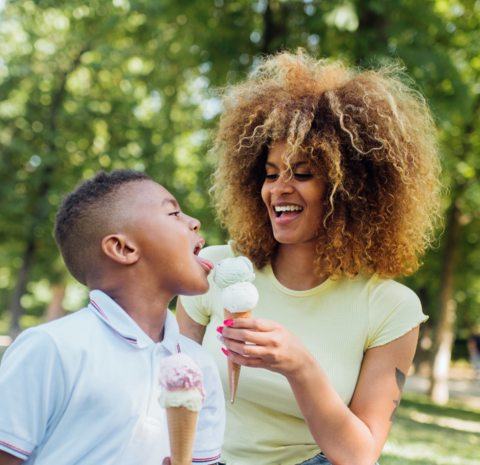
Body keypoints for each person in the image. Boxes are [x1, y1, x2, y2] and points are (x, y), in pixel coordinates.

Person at [177, 51, 441, 465]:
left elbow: (358, 456)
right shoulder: (215, 271)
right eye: (270, 172)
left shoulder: (391, 308)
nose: (278, 188)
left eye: (302, 173)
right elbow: (169, 390)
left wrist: (299, 366)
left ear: (351, 191)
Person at [0, 170, 225, 465]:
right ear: (123, 248)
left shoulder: (200, 365)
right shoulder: (51, 348)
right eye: (173, 213)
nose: (193, 221)